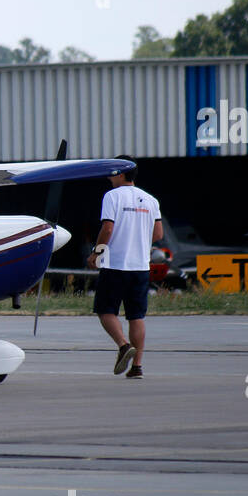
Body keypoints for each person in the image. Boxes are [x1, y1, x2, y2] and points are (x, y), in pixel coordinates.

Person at [86, 155, 162, 378]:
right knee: (136, 316)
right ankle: (137, 366)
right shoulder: (151, 200)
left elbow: (107, 229)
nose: (109, 177)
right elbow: (158, 234)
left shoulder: (112, 197)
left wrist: (96, 254)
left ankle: (122, 345)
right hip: (140, 266)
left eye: (112, 172)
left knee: (105, 310)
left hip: (116, 264)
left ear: (120, 173)